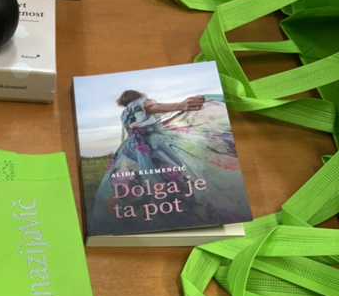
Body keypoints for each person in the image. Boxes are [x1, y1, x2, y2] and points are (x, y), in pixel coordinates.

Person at [91, 88, 249, 233]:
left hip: (131, 147)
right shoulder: (141, 102)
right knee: (180, 167)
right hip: (152, 143)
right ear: (137, 95)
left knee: (136, 177)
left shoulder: (124, 113)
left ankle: (147, 210)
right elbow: (153, 107)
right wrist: (181, 105)